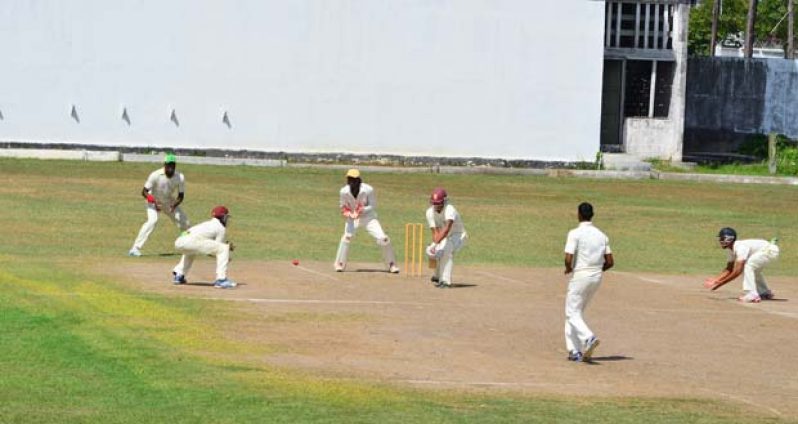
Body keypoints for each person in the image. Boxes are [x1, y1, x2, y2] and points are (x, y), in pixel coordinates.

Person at [563, 202, 613, 363]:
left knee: (572, 312)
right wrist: (597, 270)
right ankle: (574, 351)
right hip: (596, 277)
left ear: (579, 214)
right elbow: (610, 261)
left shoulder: (575, 233)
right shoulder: (602, 235)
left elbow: (568, 257)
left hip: (581, 276)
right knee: (575, 313)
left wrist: (568, 268)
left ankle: (588, 338)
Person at [334, 169, 400, 273]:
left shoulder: (368, 189)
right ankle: (340, 264)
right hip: (353, 219)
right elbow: (342, 207)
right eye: (350, 179)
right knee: (346, 238)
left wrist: (362, 209)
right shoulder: (344, 191)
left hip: (369, 218)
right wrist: (349, 214)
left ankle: (391, 264)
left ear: (359, 180)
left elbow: (373, 205)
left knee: (384, 239)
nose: (352, 182)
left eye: (354, 179)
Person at [128, 153, 189, 256]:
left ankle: (192, 245)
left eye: (173, 165)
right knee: (152, 221)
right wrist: (154, 201)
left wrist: (174, 205)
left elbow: (181, 196)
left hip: (168, 201)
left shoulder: (180, 177)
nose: (170, 168)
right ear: (164, 165)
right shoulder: (155, 175)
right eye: (168, 165)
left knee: (185, 222)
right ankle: (135, 249)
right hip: (153, 200)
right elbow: (144, 192)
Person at [704, 227, 779, 303]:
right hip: (767, 251)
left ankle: (751, 294)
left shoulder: (740, 247)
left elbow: (737, 271)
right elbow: (729, 269)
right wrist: (716, 280)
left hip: (769, 250)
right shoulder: (731, 250)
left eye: (722, 238)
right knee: (753, 270)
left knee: (748, 266)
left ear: (729, 238)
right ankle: (764, 292)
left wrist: (722, 283)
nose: (720, 241)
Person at [172, 206, 236, 289]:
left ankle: (179, 274)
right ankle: (221, 279)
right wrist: (227, 255)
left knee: (191, 251)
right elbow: (218, 249)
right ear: (223, 217)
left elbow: (212, 247)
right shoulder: (220, 227)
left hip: (179, 241)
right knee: (223, 248)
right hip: (191, 241)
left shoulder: (207, 224)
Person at [425, 188, 467, 288]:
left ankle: (445, 281)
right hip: (444, 237)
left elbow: (447, 229)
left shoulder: (450, 209)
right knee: (436, 252)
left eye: (438, 203)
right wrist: (434, 247)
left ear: (444, 201)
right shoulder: (429, 212)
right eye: (434, 203)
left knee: (447, 250)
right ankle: (437, 275)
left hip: (459, 235)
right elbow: (435, 232)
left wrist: (436, 244)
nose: (436, 206)